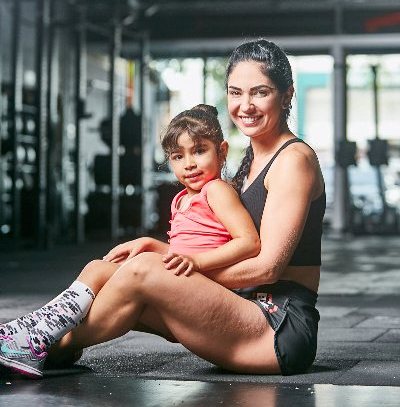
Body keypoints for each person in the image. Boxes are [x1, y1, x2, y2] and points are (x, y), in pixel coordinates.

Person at [1, 38, 326, 378]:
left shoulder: (293, 160)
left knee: (145, 271)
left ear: (287, 94)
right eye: (235, 92)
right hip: (241, 307)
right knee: (111, 269)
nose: (245, 105)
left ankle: (36, 342)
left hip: (278, 327)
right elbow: (216, 246)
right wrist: (161, 250)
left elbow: (267, 269)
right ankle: (44, 342)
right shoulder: (252, 160)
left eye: (259, 92)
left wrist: (176, 272)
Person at [0, 104, 260, 378]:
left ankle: (37, 339)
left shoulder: (216, 190)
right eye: (177, 156)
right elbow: (188, 249)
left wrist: (196, 261)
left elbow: (248, 242)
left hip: (207, 297)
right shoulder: (182, 198)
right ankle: (37, 336)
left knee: (113, 281)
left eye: (199, 151)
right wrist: (151, 244)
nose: (189, 163)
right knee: (98, 268)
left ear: (222, 151)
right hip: (184, 287)